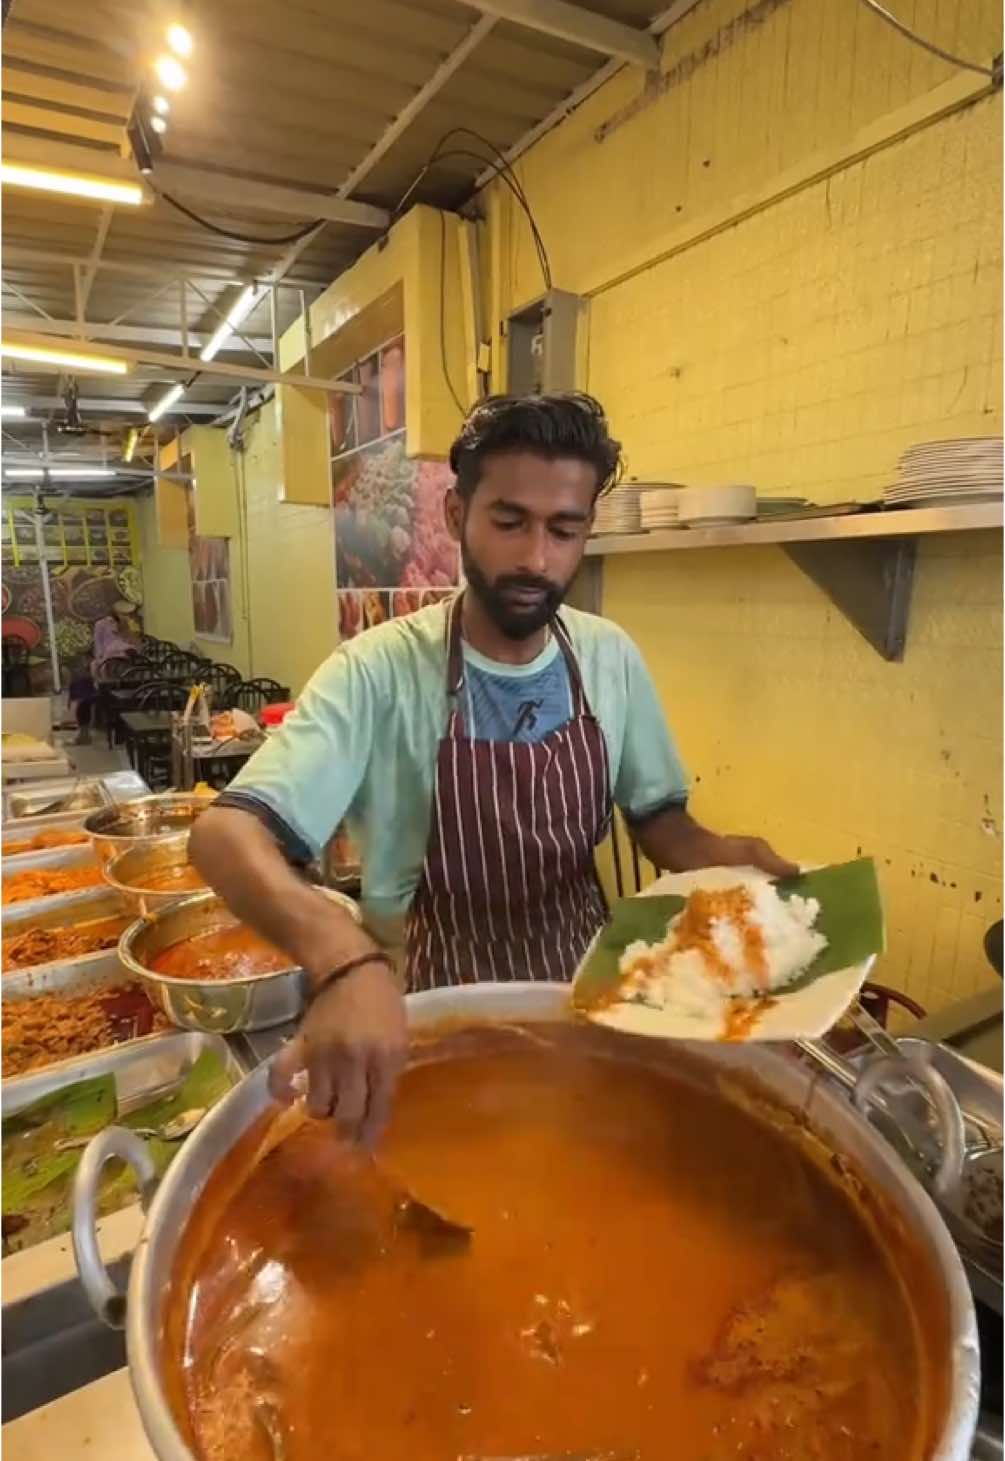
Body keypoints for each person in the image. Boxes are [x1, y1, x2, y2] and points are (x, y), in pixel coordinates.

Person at [191, 393, 796, 1144]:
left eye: (562, 530)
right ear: (455, 516)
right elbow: (224, 835)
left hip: (587, 1006)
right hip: (426, 1015)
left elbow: (660, 822)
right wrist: (344, 962)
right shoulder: (376, 671)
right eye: (509, 522)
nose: (535, 558)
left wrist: (725, 860)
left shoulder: (607, 657)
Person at [68, 605, 138, 745]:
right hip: (133, 691)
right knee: (83, 685)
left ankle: (84, 734)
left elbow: (98, 670)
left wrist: (97, 669)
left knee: (82, 692)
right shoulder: (132, 649)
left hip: (108, 691)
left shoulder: (108, 650)